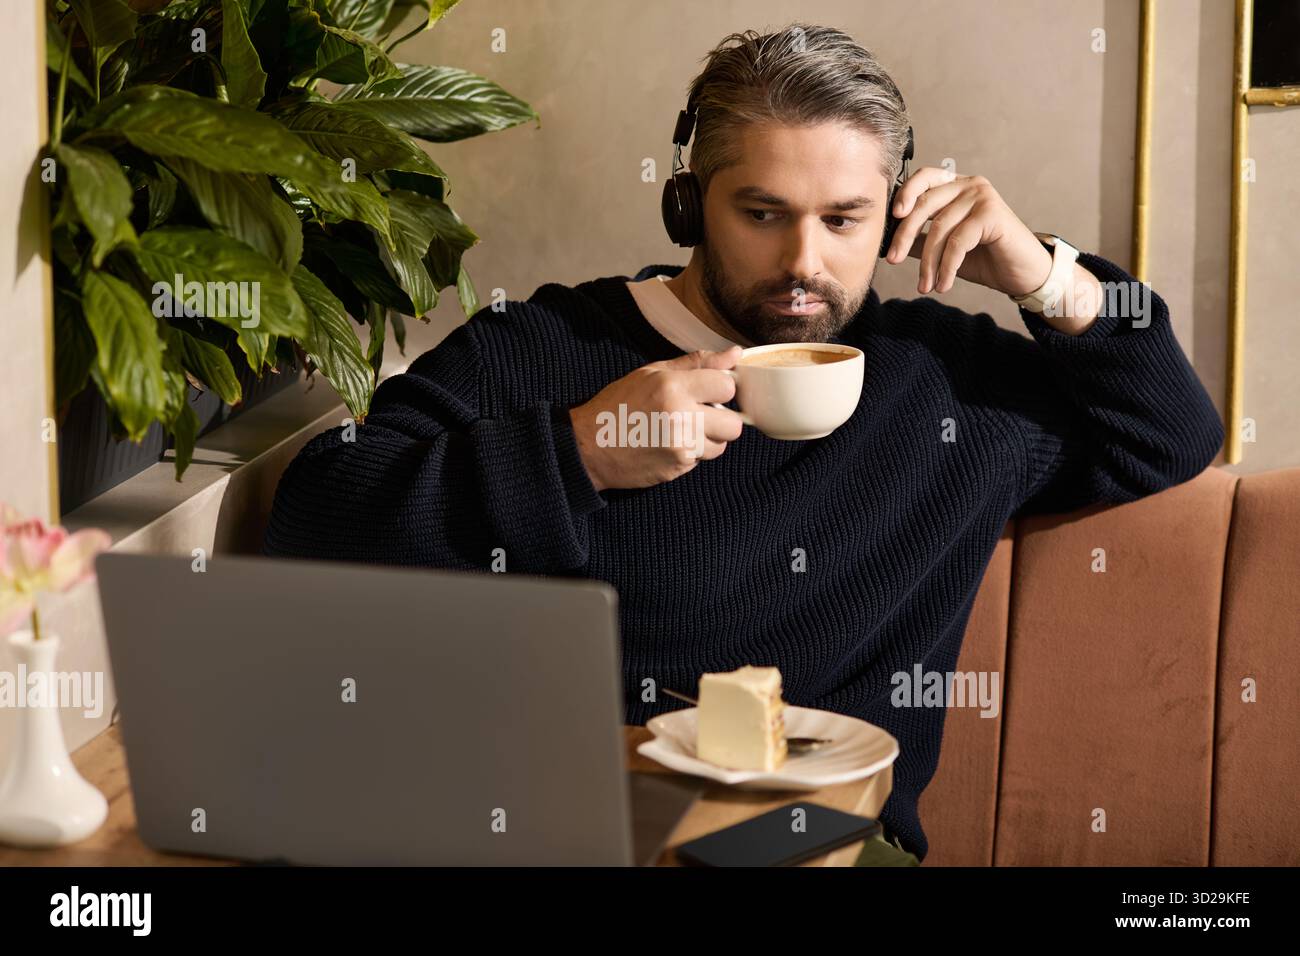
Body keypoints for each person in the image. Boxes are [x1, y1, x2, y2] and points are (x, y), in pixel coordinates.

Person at [263, 24, 1224, 864]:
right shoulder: (545, 349)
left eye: (843, 220)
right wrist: (577, 452)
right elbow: (318, 512)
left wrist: (1041, 274)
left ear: (894, 213)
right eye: (762, 215)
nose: (805, 262)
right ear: (688, 203)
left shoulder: (947, 389)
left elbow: (1173, 435)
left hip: (826, 843)